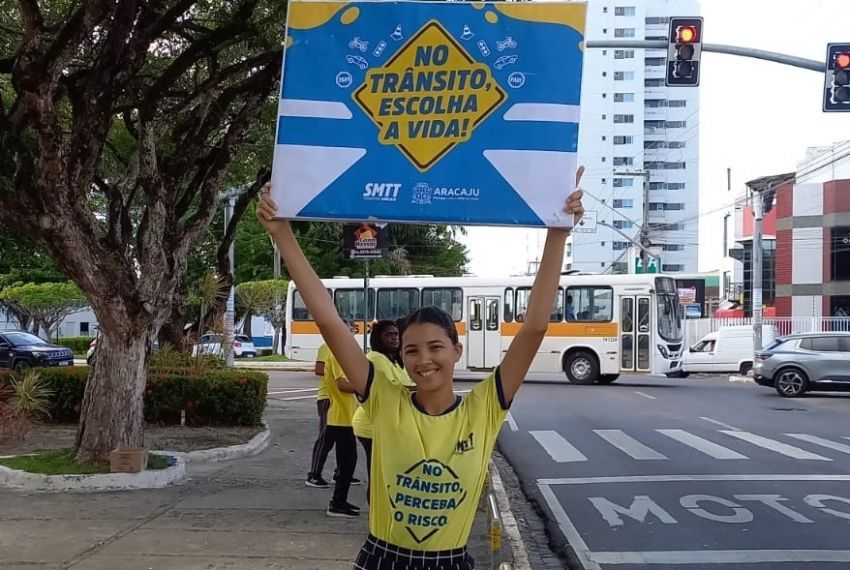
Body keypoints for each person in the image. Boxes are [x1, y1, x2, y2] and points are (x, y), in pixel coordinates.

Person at [257, 167, 584, 569]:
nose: (424, 360)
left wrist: (557, 231)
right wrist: (281, 234)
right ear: (402, 358)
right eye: (412, 351)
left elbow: (533, 328)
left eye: (435, 347)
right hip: (383, 559)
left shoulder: (482, 409)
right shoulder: (382, 397)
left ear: (457, 351)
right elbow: (327, 319)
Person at [352, 320, 414, 503]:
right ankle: (376, 520)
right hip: (371, 427)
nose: (394, 338)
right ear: (378, 338)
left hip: (386, 426)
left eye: (396, 334)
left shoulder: (392, 360)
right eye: (389, 334)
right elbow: (396, 388)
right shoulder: (376, 359)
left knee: (386, 475)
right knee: (379, 477)